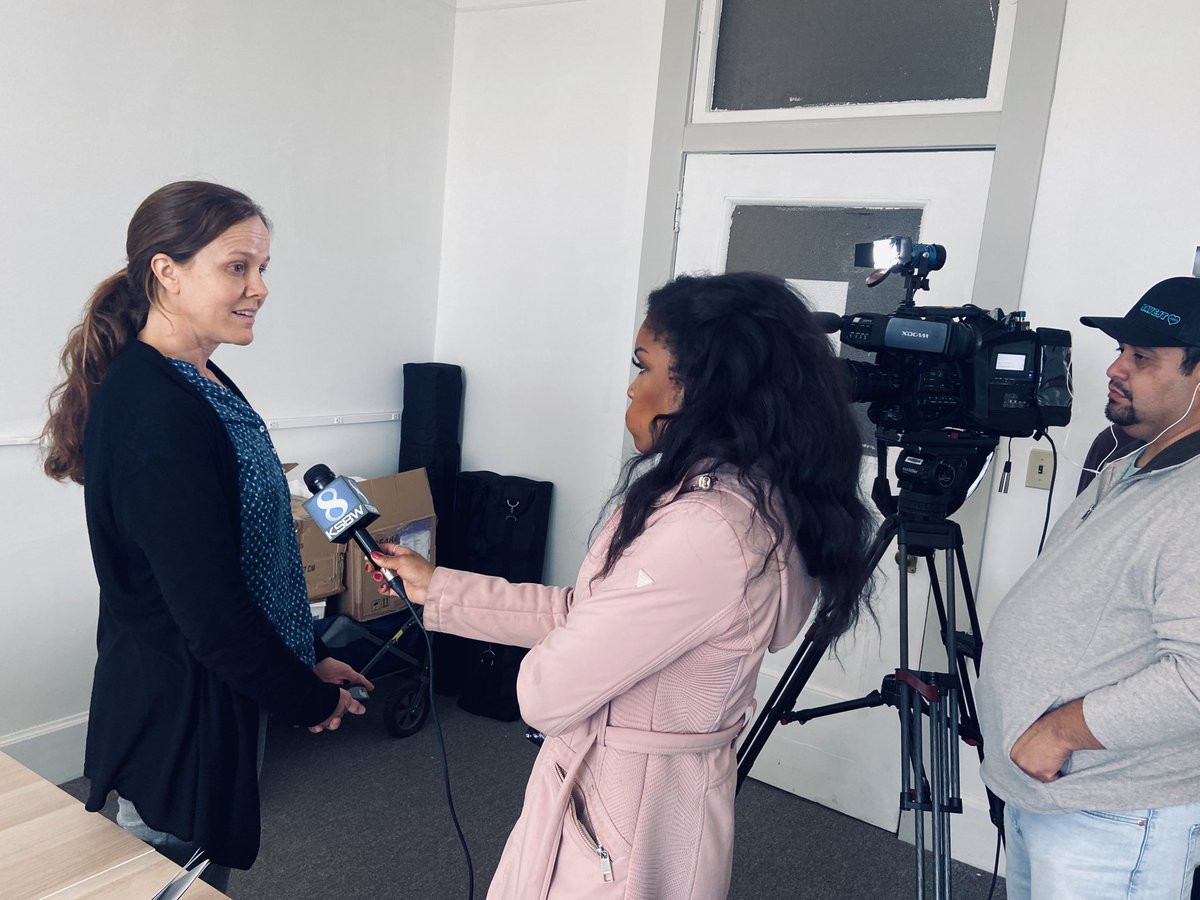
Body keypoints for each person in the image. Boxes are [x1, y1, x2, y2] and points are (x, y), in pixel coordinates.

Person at [371, 272, 877, 899]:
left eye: (643, 366)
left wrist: (557, 659)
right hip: (634, 794)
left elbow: (548, 691)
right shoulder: (749, 494)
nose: (631, 387)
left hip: (626, 817)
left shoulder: (707, 530)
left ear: (700, 388)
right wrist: (438, 587)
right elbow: (588, 613)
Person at [41, 181, 371, 891]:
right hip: (174, 717)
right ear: (167, 271)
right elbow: (211, 612)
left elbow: (249, 555)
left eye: (263, 267)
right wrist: (307, 699)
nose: (260, 287)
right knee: (163, 873)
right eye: (237, 267)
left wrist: (305, 653)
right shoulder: (152, 411)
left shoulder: (198, 377)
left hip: (215, 693)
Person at [977, 276, 1200, 900]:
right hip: (1060, 798)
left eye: (1142, 357)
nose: (1115, 368)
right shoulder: (1134, 460)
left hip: (1116, 814)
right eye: (1121, 349)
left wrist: (1059, 731)